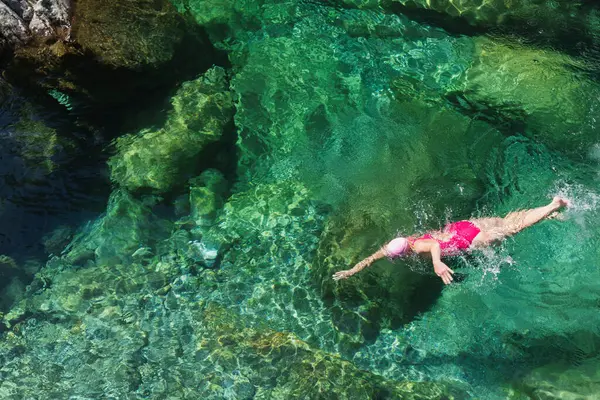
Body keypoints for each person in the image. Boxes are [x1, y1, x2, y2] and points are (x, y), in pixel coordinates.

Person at [332, 197, 571, 285]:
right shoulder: (406, 240)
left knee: (515, 228)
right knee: (508, 220)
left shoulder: (415, 247)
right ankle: (549, 213)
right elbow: (372, 257)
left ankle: (552, 205)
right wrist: (352, 270)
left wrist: (436, 263)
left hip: (472, 241)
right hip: (464, 226)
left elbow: (434, 246)